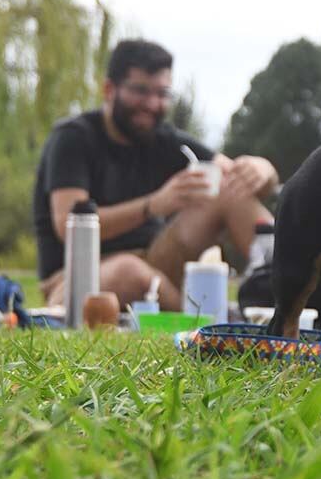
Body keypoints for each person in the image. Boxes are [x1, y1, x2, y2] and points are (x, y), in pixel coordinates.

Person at [32, 39, 279, 310]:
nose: (152, 104)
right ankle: (214, 319)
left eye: (162, 93)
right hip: (79, 275)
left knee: (230, 190)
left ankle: (288, 290)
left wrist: (263, 170)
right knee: (131, 272)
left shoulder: (164, 140)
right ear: (109, 89)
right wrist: (153, 206)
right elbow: (69, 225)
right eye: (140, 91)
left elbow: (240, 176)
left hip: (156, 262)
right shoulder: (73, 138)